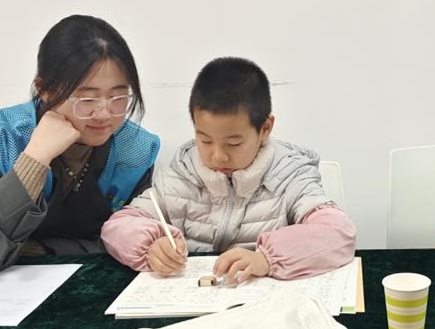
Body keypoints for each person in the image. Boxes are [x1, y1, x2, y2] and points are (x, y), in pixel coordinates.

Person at [0, 15, 159, 277]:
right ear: (44, 89)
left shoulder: (135, 149)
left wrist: (43, 249)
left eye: (118, 97)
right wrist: (35, 158)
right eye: (87, 99)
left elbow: (125, 244)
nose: (104, 114)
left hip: (86, 283)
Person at [102, 57, 355, 282]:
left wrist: (267, 259)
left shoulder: (290, 176)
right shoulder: (180, 176)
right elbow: (117, 227)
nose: (218, 155)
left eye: (234, 144)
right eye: (205, 140)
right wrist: (150, 246)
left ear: (265, 129)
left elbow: (339, 233)